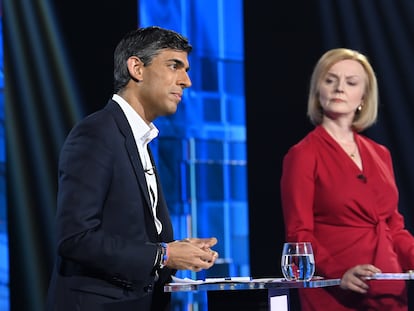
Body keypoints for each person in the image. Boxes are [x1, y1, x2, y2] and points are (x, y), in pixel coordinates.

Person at [46, 26, 219, 311]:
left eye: (185, 69)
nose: (186, 81)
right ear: (137, 68)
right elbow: (75, 238)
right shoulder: (96, 133)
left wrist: (178, 249)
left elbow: (128, 233)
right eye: (174, 66)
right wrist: (163, 255)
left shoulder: (138, 138)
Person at [280, 48, 414, 310]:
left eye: (351, 82)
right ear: (318, 90)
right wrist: (339, 272)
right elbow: (298, 233)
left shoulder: (380, 154)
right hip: (336, 290)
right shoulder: (303, 154)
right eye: (330, 80)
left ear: (363, 96)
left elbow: (394, 227)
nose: (339, 88)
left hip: (388, 289)